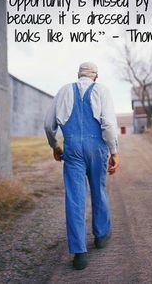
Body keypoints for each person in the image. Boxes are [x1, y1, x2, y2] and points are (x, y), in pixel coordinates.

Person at [44, 62, 119, 270]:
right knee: (98, 190)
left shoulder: (63, 91)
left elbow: (48, 124)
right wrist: (114, 152)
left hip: (73, 149)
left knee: (75, 198)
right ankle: (101, 236)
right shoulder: (103, 90)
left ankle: (79, 254)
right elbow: (109, 125)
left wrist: (55, 146)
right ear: (96, 76)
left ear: (78, 75)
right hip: (97, 148)